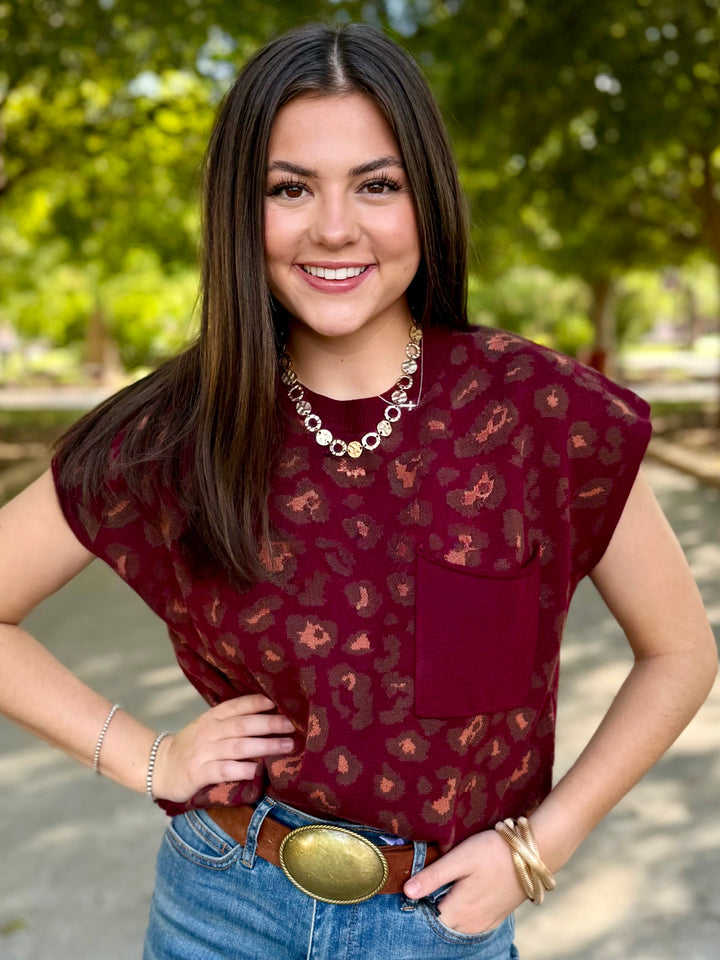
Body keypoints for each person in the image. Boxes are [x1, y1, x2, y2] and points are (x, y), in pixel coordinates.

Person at [0, 21, 716, 960]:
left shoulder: (539, 412)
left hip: (438, 923)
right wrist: (147, 755)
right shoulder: (173, 427)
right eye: (289, 189)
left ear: (429, 202)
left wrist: (544, 844)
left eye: (377, 185)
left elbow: (680, 654)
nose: (334, 227)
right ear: (238, 212)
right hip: (221, 910)